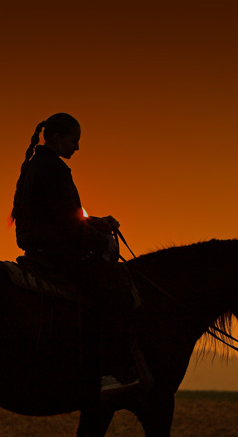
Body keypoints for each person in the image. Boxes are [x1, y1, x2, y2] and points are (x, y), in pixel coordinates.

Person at [10, 113, 141, 397]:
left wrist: (96, 223)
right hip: (57, 254)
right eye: (74, 140)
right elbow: (66, 223)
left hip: (41, 250)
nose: (77, 147)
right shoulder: (53, 169)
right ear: (56, 139)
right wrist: (103, 243)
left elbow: (61, 215)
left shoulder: (36, 166)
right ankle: (110, 371)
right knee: (115, 289)